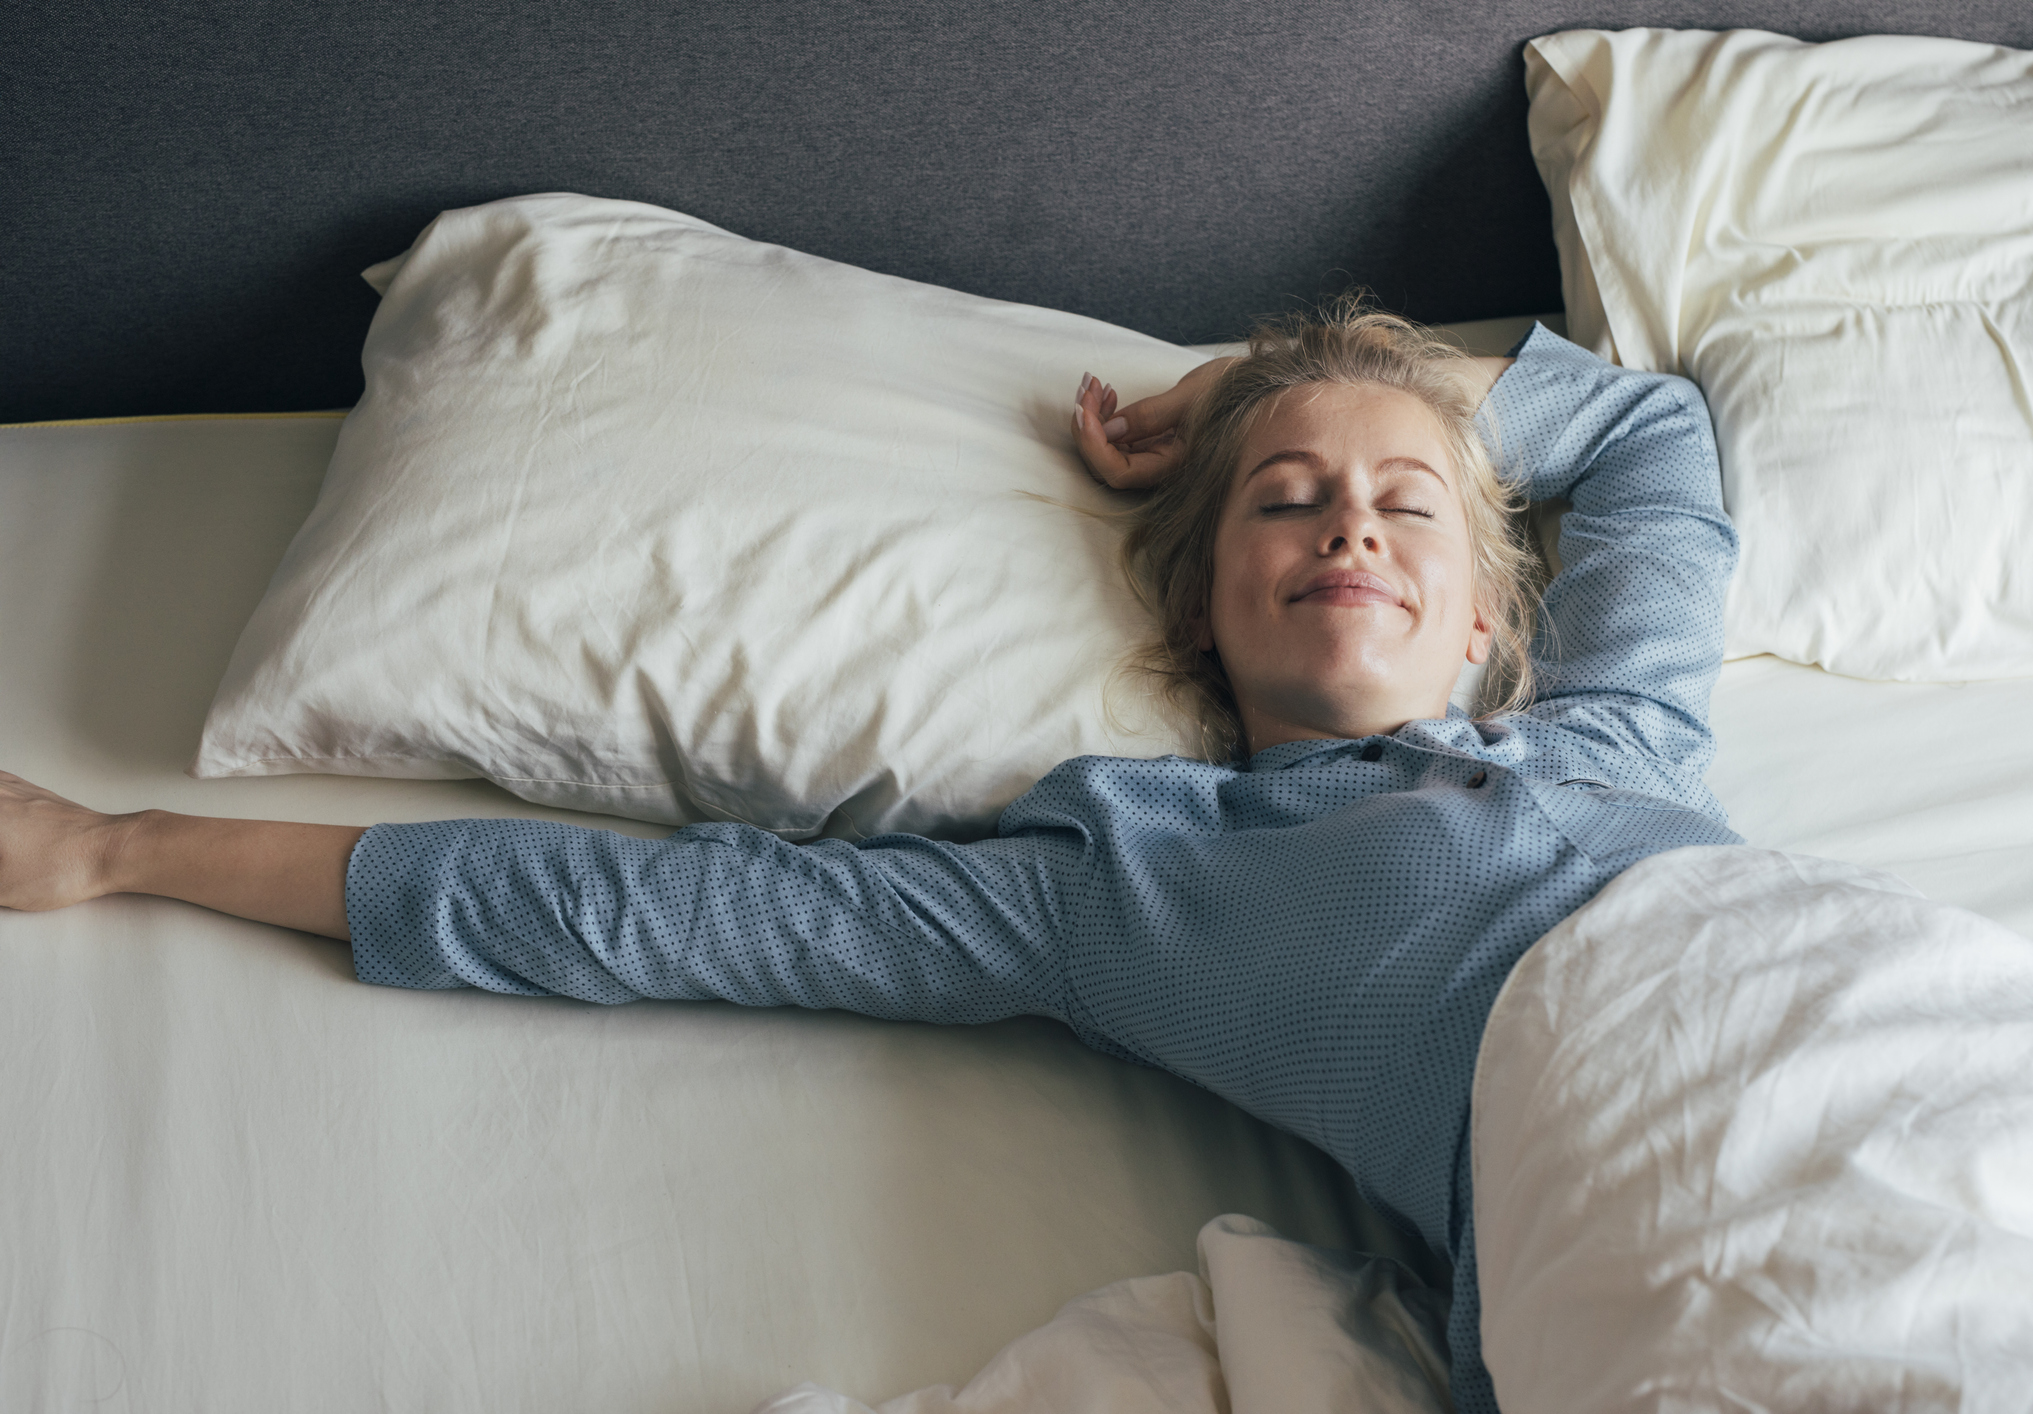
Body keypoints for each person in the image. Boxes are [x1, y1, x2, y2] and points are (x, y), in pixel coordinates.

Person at [0, 296, 1739, 1413]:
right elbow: (666, 912)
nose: (1347, 515)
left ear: (1488, 613)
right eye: (1281, 501)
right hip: (1665, 1206)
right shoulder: (1123, 886)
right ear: (1203, 610)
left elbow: (1652, 432)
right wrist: (126, 846)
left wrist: (1244, 394)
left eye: (1404, 501)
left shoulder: (1621, 731)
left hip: (1879, 1005)